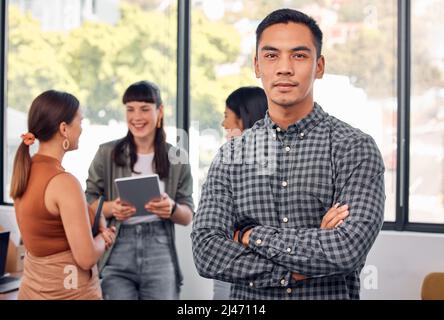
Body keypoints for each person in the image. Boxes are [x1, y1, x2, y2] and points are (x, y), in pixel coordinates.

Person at [192, 8, 385, 300]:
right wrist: (296, 266)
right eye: (271, 56)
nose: (284, 68)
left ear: (319, 66)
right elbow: (206, 251)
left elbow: (346, 250)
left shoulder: (355, 148)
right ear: (257, 66)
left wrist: (249, 236)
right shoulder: (231, 155)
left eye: (299, 55)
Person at [86, 80, 194, 300]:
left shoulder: (177, 157)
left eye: (145, 109)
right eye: (130, 109)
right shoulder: (106, 153)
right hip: (116, 247)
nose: (136, 117)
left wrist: (171, 208)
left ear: (160, 111)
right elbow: (88, 200)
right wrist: (111, 208)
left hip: (160, 249)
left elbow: (187, 215)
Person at [10, 90, 116, 300]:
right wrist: (104, 238)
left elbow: (48, 227)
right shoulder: (64, 183)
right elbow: (85, 258)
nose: (82, 129)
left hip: (32, 291)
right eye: (80, 121)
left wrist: (92, 213)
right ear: (64, 128)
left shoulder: (25, 170)